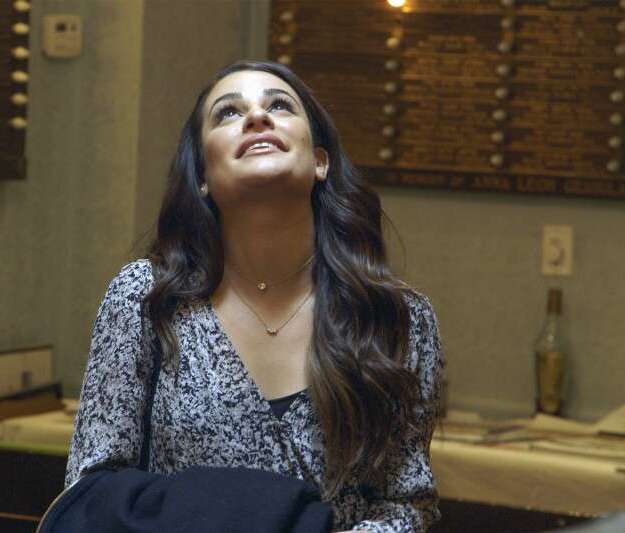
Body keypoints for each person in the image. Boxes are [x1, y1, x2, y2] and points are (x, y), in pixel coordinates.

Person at [65, 59, 444, 533]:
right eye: (228, 113)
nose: (257, 117)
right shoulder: (147, 297)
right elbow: (92, 490)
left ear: (320, 161)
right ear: (202, 176)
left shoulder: (394, 316)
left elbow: (406, 505)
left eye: (280, 106)